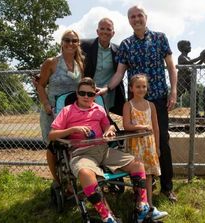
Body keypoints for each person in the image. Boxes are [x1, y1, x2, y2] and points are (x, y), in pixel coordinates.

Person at [98, 5, 178, 202]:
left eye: (139, 15)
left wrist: (174, 90)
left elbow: (171, 67)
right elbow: (119, 73)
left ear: (145, 17)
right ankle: (143, 184)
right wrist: (107, 89)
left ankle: (167, 186)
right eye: (132, 17)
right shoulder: (126, 45)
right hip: (135, 103)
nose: (136, 19)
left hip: (158, 98)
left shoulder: (160, 38)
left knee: (162, 141)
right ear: (129, 20)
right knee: (137, 143)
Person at [48, 77, 151, 223]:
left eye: (90, 94)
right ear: (77, 93)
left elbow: (108, 126)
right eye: (82, 93)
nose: (86, 96)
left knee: (138, 165)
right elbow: (52, 135)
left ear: (94, 96)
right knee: (85, 173)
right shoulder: (67, 111)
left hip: (103, 149)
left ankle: (141, 208)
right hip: (81, 152)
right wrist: (73, 129)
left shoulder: (99, 109)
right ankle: (107, 216)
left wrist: (109, 130)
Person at [35, 29, 84, 183]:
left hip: (72, 112)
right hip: (53, 111)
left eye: (74, 40)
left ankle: (71, 179)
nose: (70, 43)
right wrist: (46, 104)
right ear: (61, 43)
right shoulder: (51, 63)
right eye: (67, 40)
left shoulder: (80, 64)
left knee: (70, 146)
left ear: (78, 43)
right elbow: (41, 86)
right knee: (53, 147)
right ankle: (58, 181)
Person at [123, 74, 168, 220]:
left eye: (144, 86)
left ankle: (150, 205)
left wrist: (157, 146)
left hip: (149, 145)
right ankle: (139, 207)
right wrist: (142, 126)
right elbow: (127, 125)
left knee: (148, 175)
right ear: (131, 88)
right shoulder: (128, 105)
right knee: (138, 176)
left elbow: (155, 128)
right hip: (135, 145)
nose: (141, 89)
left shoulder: (151, 106)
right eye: (138, 86)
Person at [80, 18, 125, 116]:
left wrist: (106, 89)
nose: (105, 32)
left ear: (113, 33)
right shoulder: (84, 45)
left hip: (107, 92)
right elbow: (68, 56)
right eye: (102, 28)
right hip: (88, 91)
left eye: (108, 29)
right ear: (97, 31)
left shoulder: (119, 50)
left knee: (103, 119)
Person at [177, 40, 203, 116]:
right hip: (182, 79)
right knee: (177, 94)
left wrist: (202, 59)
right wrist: (200, 57)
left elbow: (195, 65)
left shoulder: (188, 57)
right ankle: (165, 109)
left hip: (189, 79)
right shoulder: (181, 57)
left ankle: (195, 112)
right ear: (182, 48)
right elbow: (189, 62)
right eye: (188, 45)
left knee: (195, 94)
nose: (190, 47)